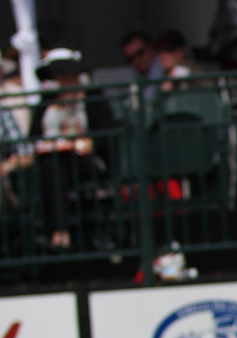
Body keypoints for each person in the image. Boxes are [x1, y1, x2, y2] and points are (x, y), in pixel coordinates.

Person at [30, 48, 115, 252]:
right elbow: (33, 135)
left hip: (84, 161)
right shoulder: (48, 100)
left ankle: (60, 232)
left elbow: (107, 133)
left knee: (57, 168)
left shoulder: (92, 97)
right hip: (52, 161)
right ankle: (60, 231)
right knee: (53, 167)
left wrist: (87, 143)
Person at [121, 29, 165, 104]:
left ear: (151, 47)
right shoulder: (133, 75)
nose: (136, 60)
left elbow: (149, 97)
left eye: (140, 53)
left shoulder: (164, 65)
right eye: (130, 59)